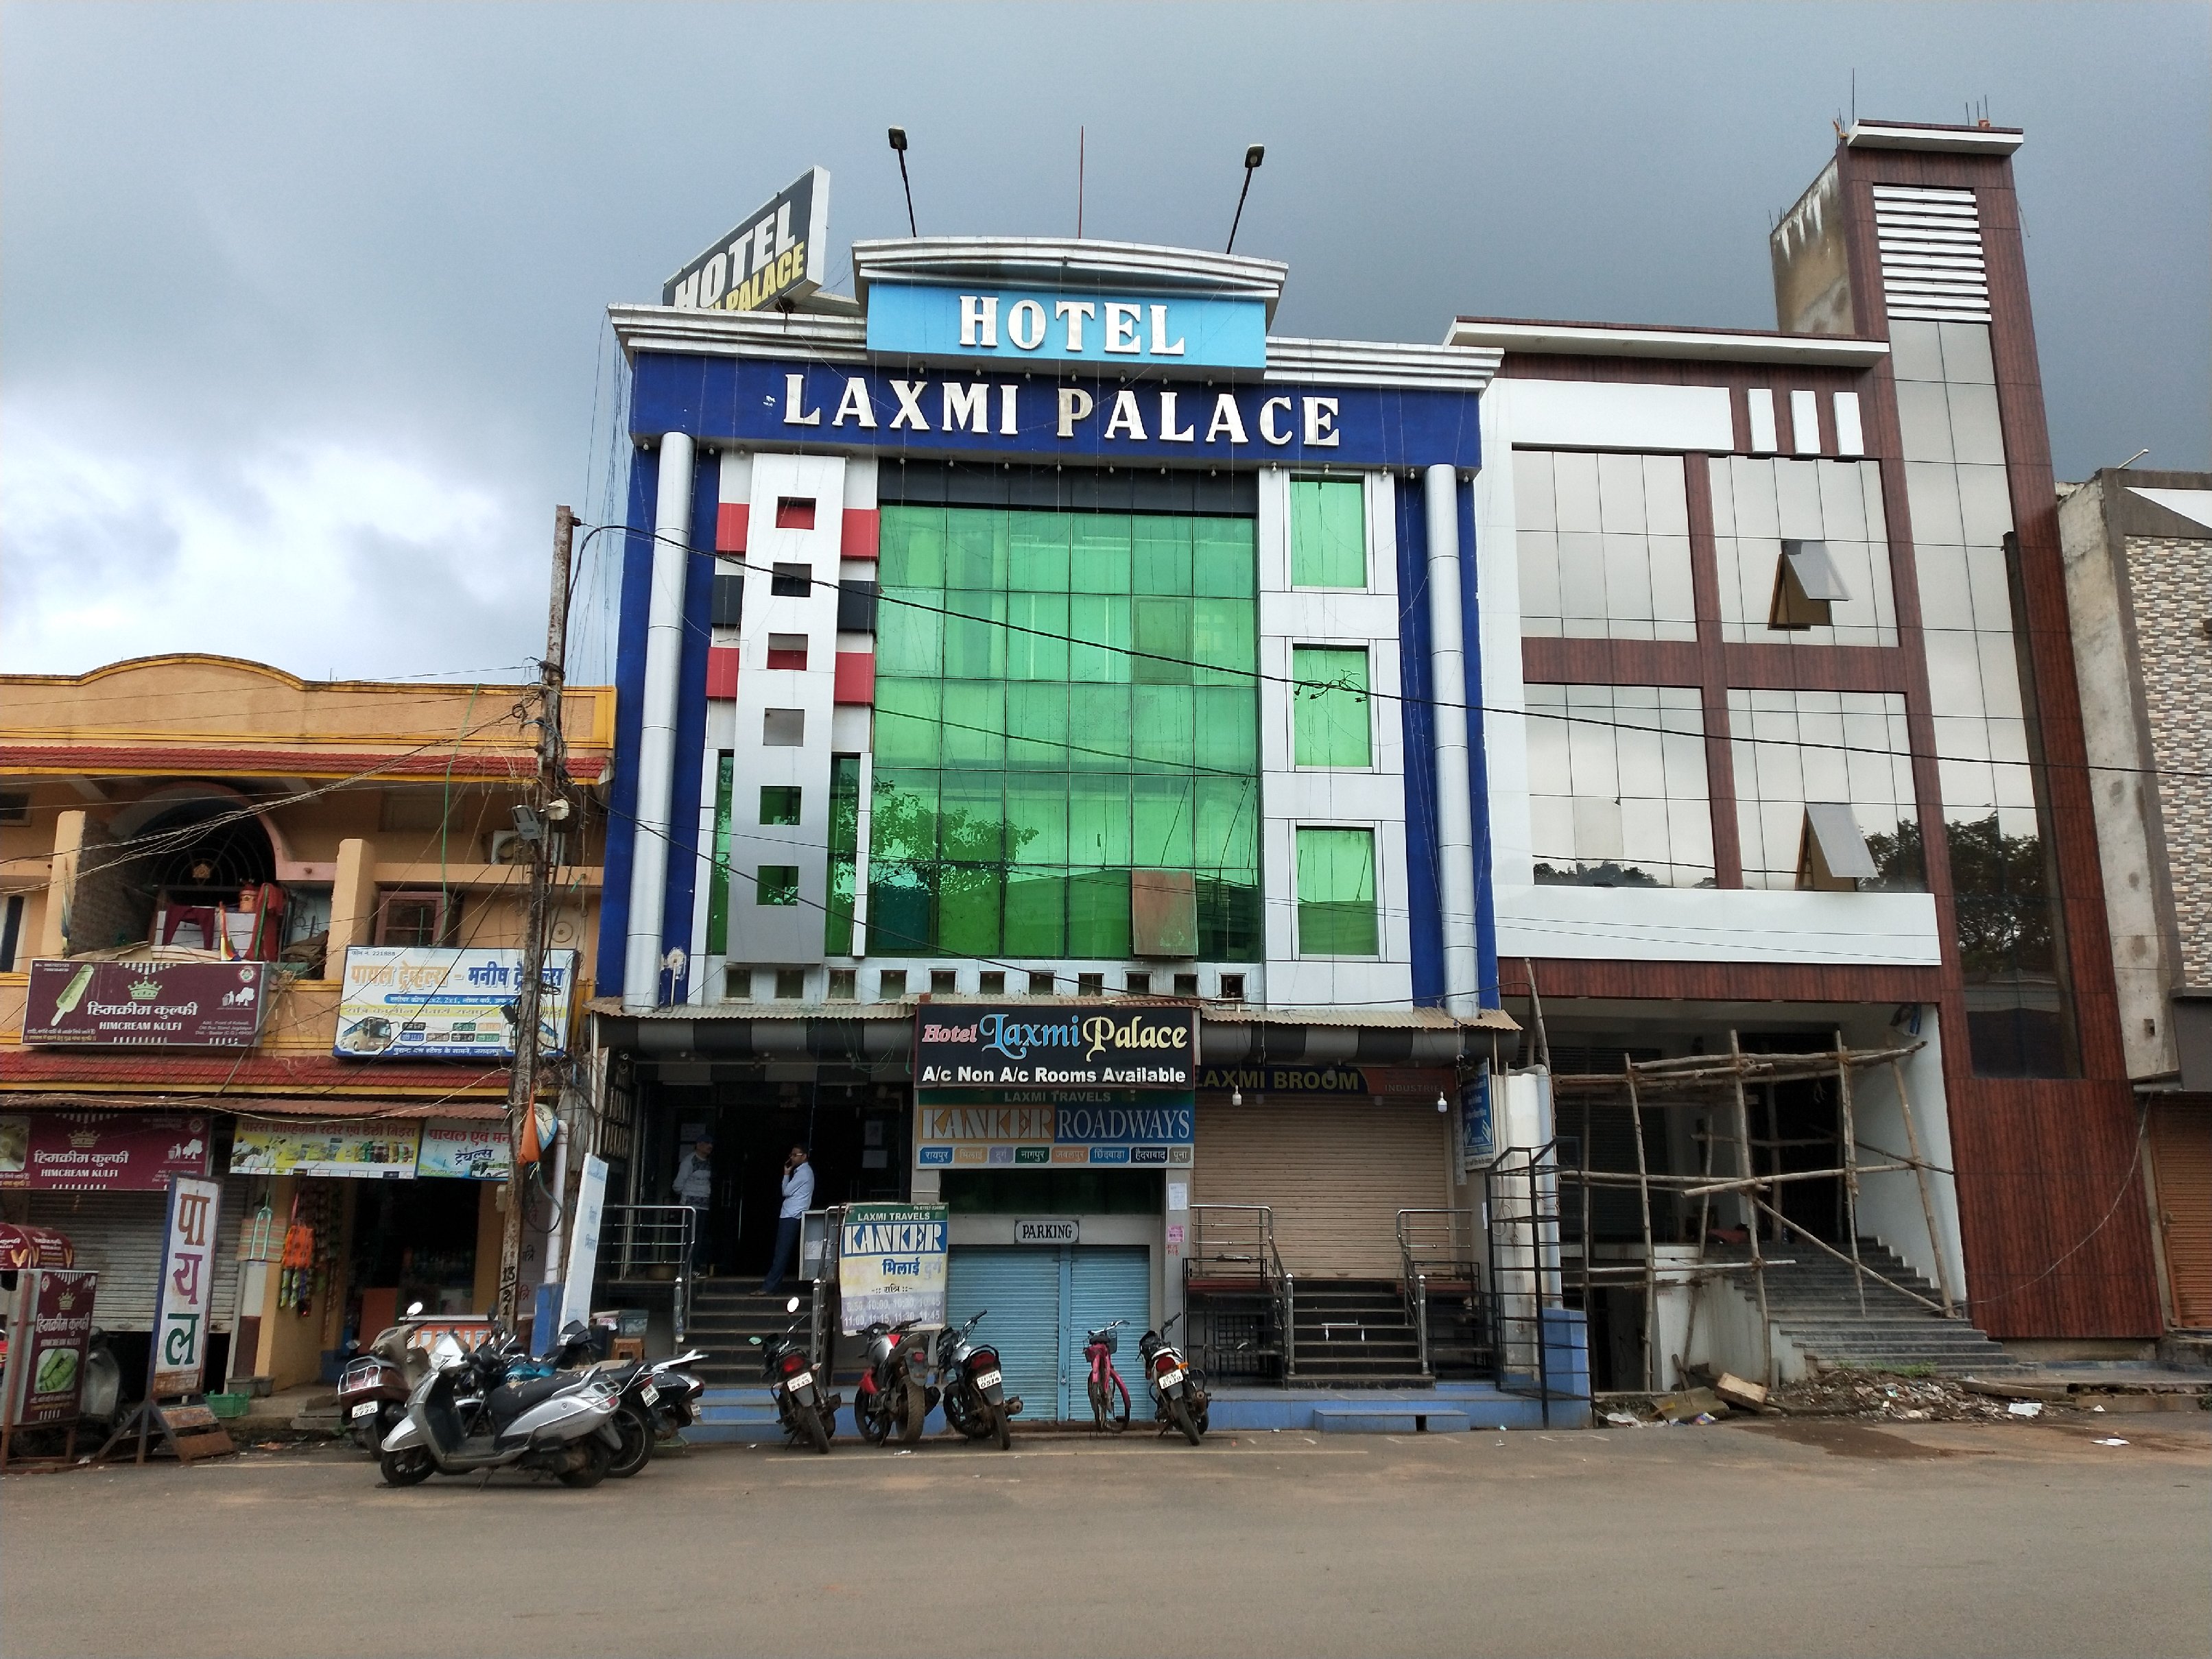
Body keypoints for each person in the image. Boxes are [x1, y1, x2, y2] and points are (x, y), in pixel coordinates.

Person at [759, 1144, 813, 1296]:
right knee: (787, 1251)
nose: (791, 1157)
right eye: (791, 1154)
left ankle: (769, 1287)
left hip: (792, 1214)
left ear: (804, 1156)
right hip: (793, 1213)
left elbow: (786, 1191)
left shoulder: (803, 1173)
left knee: (782, 1252)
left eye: (795, 1155)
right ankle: (772, 1286)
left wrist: (785, 1174)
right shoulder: (803, 1172)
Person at [671, 1136, 715, 1274]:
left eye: (711, 1144)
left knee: (699, 1238)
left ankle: (695, 1267)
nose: (710, 1146)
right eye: (707, 1143)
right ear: (699, 1145)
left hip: (703, 1205)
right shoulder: (689, 1161)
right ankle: (687, 1268)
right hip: (690, 1206)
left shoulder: (708, 1163)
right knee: (689, 1237)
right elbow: (678, 1184)